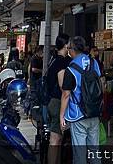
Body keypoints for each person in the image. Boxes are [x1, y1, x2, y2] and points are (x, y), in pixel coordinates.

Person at [60, 36, 101, 164]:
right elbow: (101, 84)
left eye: (68, 48)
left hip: (78, 114)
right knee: (95, 150)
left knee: (80, 153)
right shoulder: (94, 63)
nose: (68, 50)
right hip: (94, 112)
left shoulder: (71, 68)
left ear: (73, 50)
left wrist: (62, 116)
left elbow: (66, 94)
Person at [46, 33, 70, 164]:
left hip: (54, 101)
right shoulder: (61, 62)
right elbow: (62, 86)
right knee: (55, 138)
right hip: (58, 102)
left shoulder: (54, 60)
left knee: (58, 138)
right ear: (66, 45)